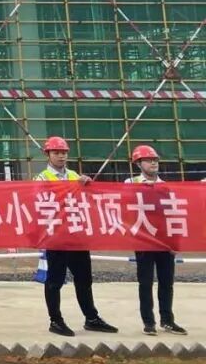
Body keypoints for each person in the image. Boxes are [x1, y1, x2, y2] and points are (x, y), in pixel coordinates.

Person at [35, 135, 117, 337]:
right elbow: (37, 202)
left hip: (76, 235)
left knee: (84, 279)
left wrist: (87, 184)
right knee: (55, 280)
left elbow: (85, 200)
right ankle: (56, 320)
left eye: (64, 152)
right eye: (56, 153)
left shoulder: (74, 175)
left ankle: (91, 318)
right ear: (48, 155)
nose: (61, 156)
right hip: (56, 237)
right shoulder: (42, 178)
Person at [125, 144, 187, 336]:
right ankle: (148, 322)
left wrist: (175, 242)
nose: (153, 163)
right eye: (148, 160)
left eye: (155, 160)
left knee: (166, 282)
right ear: (138, 164)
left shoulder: (166, 186)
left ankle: (167, 320)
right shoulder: (131, 182)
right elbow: (125, 203)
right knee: (145, 283)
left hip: (164, 241)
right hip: (143, 241)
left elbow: (173, 215)